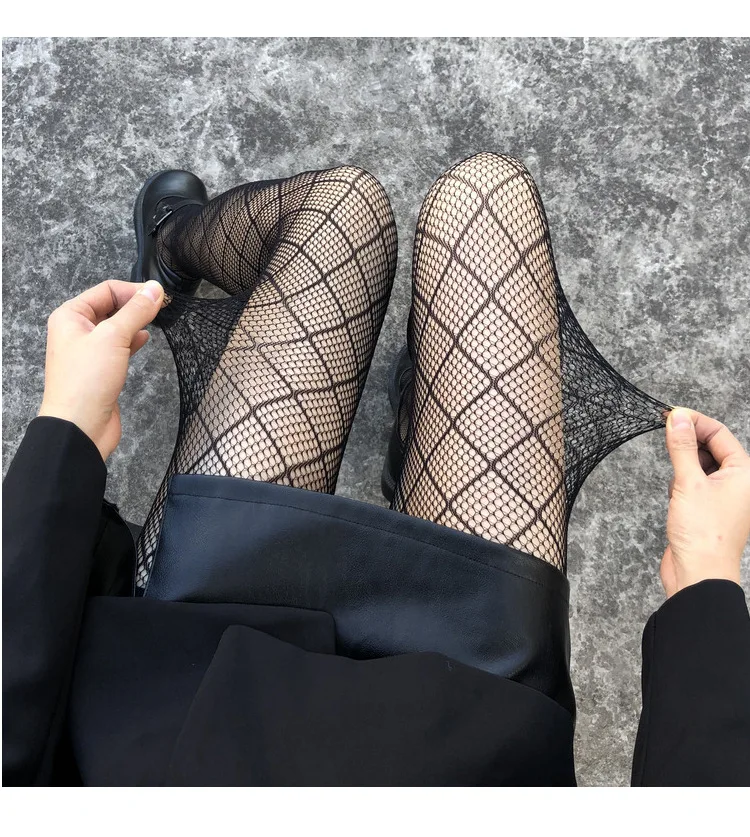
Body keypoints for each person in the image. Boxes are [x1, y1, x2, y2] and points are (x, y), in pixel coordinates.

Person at [3, 154, 750, 786]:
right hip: (476, 716)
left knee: (344, 208)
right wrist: (707, 583)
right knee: (485, 200)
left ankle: (170, 251)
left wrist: (68, 430)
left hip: (192, 666)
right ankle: (424, 419)